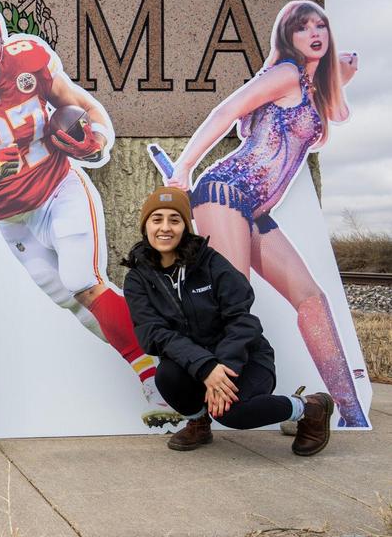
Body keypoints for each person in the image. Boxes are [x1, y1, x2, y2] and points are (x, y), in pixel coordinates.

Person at [0, 0, 176, 428]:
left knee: (83, 279)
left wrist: (98, 138)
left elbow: (85, 108)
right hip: (10, 215)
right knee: (72, 301)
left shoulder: (27, 60)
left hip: (58, 188)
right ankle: (150, 370)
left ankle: (169, 364)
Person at [166, 0, 365, 427]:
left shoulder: (311, 89)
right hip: (226, 191)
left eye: (321, 26)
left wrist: (340, 77)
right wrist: (185, 165)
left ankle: (350, 413)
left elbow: (339, 113)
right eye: (302, 27)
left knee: (312, 300)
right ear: (287, 38)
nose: (314, 32)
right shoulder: (285, 73)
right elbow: (226, 111)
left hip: (255, 210)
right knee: (231, 299)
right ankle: (200, 414)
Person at [122, 187, 333, 454]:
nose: (165, 228)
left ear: (185, 226)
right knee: (167, 376)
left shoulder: (210, 262)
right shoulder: (138, 278)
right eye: (157, 219)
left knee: (231, 414)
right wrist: (206, 367)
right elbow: (153, 334)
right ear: (146, 226)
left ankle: (309, 407)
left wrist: (223, 367)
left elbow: (242, 320)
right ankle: (198, 422)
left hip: (244, 358)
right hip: (195, 364)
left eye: (174, 220)